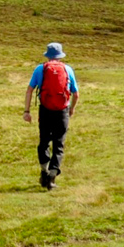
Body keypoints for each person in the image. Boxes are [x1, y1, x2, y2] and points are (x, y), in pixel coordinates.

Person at [23, 42, 79, 189]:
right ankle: (52, 179)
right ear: (60, 56)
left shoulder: (40, 69)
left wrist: (27, 111)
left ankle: (44, 172)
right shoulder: (68, 69)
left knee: (44, 141)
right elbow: (76, 93)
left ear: (47, 55)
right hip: (62, 111)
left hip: (45, 110)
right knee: (59, 144)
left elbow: (29, 90)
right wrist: (71, 109)